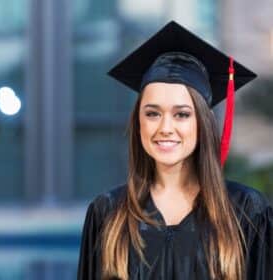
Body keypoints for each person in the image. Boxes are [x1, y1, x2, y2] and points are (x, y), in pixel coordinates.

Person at [76, 21, 272, 280]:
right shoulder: (108, 214)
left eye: (181, 114)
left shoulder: (246, 212)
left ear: (202, 123)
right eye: (153, 113)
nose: (165, 127)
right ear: (138, 123)